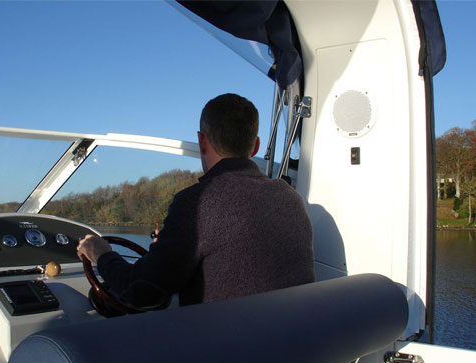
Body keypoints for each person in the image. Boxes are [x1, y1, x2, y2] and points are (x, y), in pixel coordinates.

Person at [77, 93, 314, 307]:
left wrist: (101, 253)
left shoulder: (197, 202)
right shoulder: (290, 198)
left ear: (201, 142)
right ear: (255, 147)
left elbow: (141, 292)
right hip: (290, 346)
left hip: (226, 351)